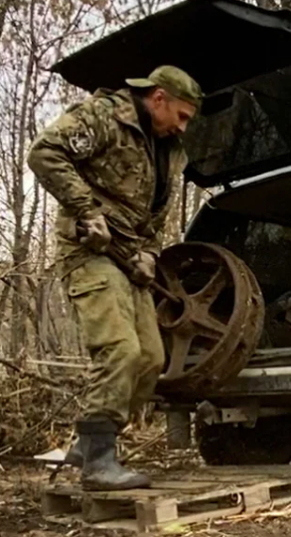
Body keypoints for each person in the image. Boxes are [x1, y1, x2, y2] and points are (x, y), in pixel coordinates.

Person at [27, 65, 203, 490]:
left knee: (150, 358)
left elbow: (155, 215)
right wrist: (86, 211)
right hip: (89, 250)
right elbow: (44, 152)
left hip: (128, 256)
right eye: (179, 116)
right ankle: (99, 464)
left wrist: (149, 254)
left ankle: (90, 446)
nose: (182, 128)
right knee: (120, 349)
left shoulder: (169, 151)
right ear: (158, 98)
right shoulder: (107, 116)